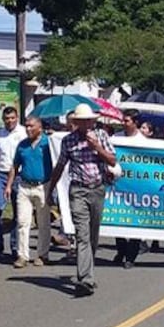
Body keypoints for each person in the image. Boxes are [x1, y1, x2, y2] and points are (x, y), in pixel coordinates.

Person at [47, 103, 116, 297]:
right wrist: (50, 190)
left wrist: (97, 147)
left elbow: (112, 160)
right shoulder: (68, 141)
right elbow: (60, 166)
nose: (85, 125)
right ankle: (85, 278)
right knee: (82, 234)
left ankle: (88, 270)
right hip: (78, 190)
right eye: (81, 122)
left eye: (88, 121)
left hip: (97, 189)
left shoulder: (101, 136)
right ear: (76, 123)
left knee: (93, 234)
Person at [4, 115, 52, 268]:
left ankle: (42, 255)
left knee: (43, 222)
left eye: (32, 126)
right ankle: (22, 256)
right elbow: (15, 166)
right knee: (22, 222)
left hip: (43, 186)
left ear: (40, 128)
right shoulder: (22, 145)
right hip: (24, 186)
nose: (28, 129)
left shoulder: (48, 144)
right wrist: (8, 185)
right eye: (27, 126)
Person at [0, 106, 26, 260]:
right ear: (3, 119)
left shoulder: (23, 133)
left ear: (17, 118)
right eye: (7, 118)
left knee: (18, 214)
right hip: (1, 176)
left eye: (12, 118)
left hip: (20, 176)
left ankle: (16, 248)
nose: (10, 121)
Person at [114, 109, 145, 268]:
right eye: (123, 120)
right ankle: (121, 250)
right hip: (118, 187)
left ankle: (131, 256)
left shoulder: (143, 141)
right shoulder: (116, 139)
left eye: (127, 121)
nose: (123, 123)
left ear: (135, 123)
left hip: (136, 188)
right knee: (117, 218)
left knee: (135, 222)